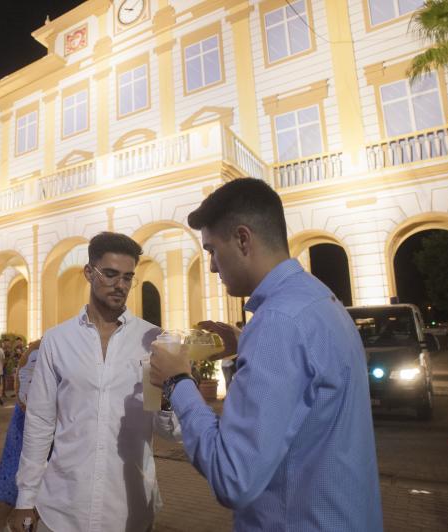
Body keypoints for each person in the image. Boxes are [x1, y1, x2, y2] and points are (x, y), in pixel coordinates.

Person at [149, 178, 383, 531]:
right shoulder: (317, 299)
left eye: (212, 250)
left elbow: (232, 477)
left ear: (243, 239)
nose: (211, 266)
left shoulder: (277, 322)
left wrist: (178, 380)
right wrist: (244, 343)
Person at [10, 231, 181, 532]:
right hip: (61, 509)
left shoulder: (152, 340)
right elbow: (40, 422)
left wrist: (168, 400)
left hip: (129, 509)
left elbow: (169, 430)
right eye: (111, 274)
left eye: (128, 277)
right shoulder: (57, 340)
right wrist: (25, 498)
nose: (121, 285)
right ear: (89, 272)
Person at [0, 339, 40, 532]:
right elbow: (26, 395)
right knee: (12, 492)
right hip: (26, 434)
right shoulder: (40, 350)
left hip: (44, 437)